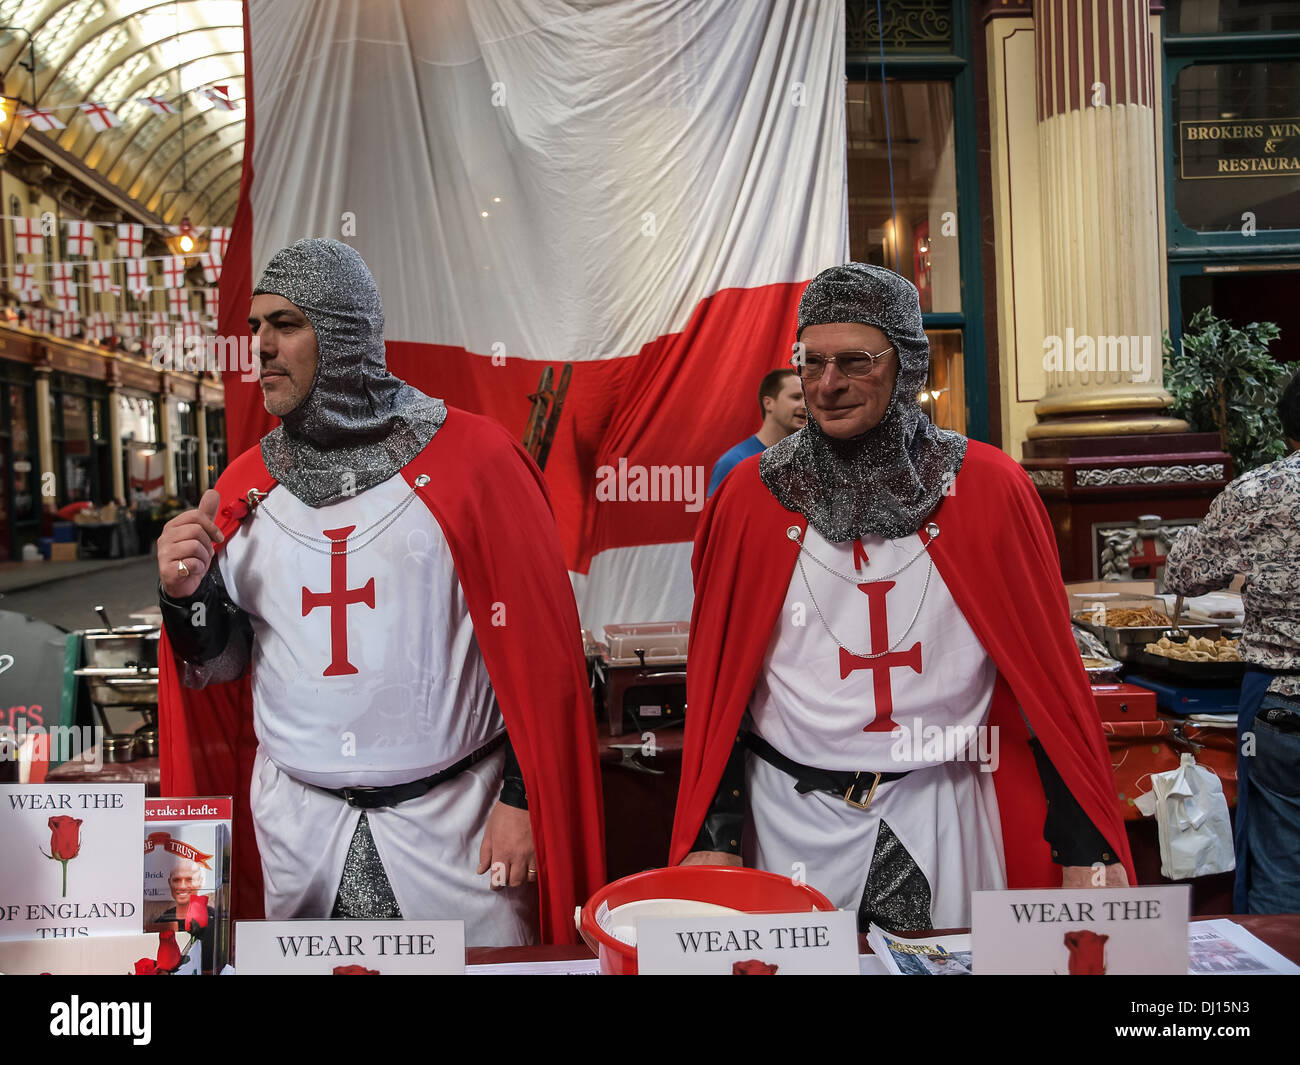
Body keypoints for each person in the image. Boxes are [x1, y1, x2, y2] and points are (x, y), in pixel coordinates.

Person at [156, 238, 604, 946]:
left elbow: (539, 658)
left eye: (286, 324)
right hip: (298, 830)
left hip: (460, 827)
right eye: (255, 327)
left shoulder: (475, 461)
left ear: (344, 334)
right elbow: (226, 664)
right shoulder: (246, 483)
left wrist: (523, 799)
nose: (262, 346)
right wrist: (187, 598)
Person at [671, 263, 1133, 932]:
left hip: (939, 805)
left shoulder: (989, 490)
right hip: (788, 814)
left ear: (908, 364)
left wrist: (1085, 846)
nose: (827, 384)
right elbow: (718, 683)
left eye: (855, 361)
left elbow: (1049, 680)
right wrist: (714, 835)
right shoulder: (749, 498)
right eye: (812, 361)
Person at [1164, 371, 1300, 914]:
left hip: (1282, 701)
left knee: (1279, 864)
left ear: (1287, 427)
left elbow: (1184, 576)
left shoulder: (1260, 491)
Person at [707, 369, 806, 496]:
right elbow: (716, 509)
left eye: (808, 399)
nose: (805, 406)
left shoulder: (811, 461)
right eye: (796, 397)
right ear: (768, 403)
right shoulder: (733, 462)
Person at [154, 859, 215, 970]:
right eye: (176, 880)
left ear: (200, 882)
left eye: (189, 880)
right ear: (169, 883)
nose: (182, 886)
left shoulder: (214, 920)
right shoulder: (162, 921)